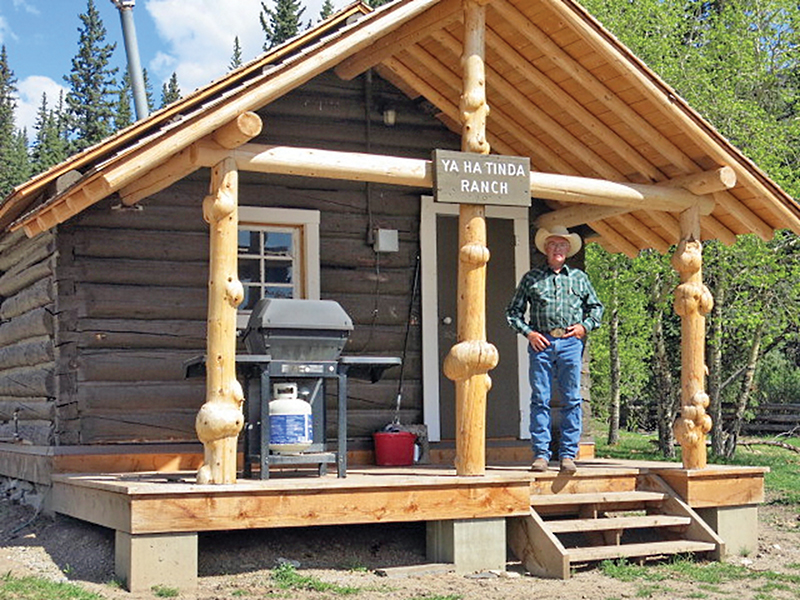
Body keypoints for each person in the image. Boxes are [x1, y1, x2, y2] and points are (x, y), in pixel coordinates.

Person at [505, 225, 603, 473]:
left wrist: (584, 327)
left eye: (562, 245)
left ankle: (569, 454)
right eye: (553, 245)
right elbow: (512, 313)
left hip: (571, 343)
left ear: (568, 250)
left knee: (571, 398)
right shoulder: (532, 278)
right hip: (542, 343)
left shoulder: (580, 278)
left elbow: (597, 309)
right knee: (540, 398)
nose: (558, 249)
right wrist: (529, 333)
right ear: (546, 249)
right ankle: (541, 455)